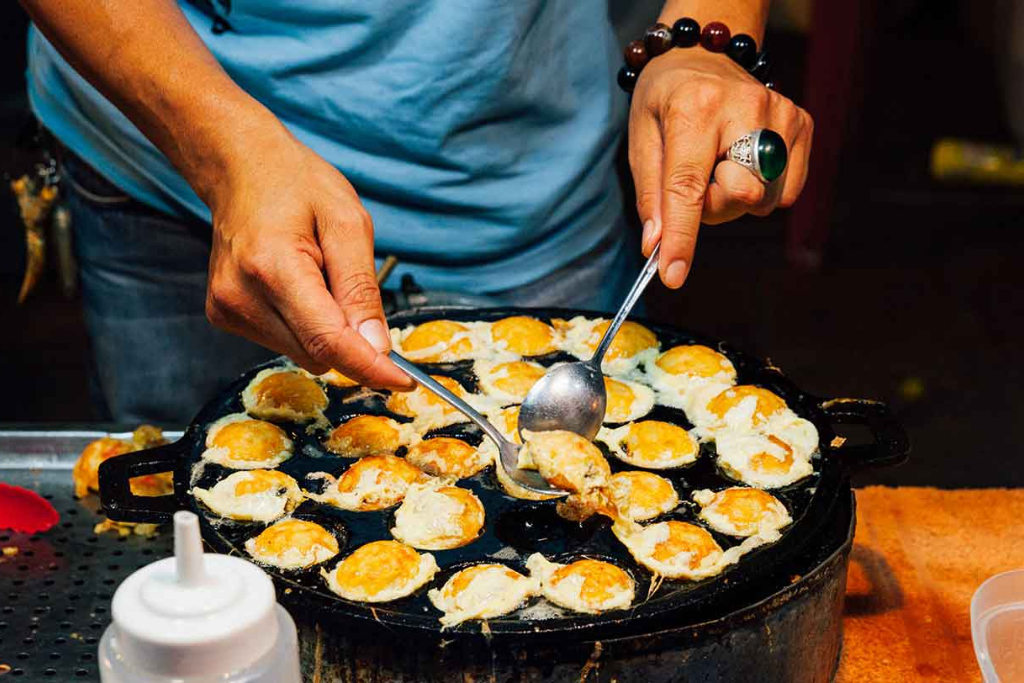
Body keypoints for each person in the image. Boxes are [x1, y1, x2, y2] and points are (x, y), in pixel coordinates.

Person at [20, 0, 812, 423]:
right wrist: (219, 149)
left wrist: (707, 42)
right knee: (190, 551)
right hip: (170, 156)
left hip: (527, 182)